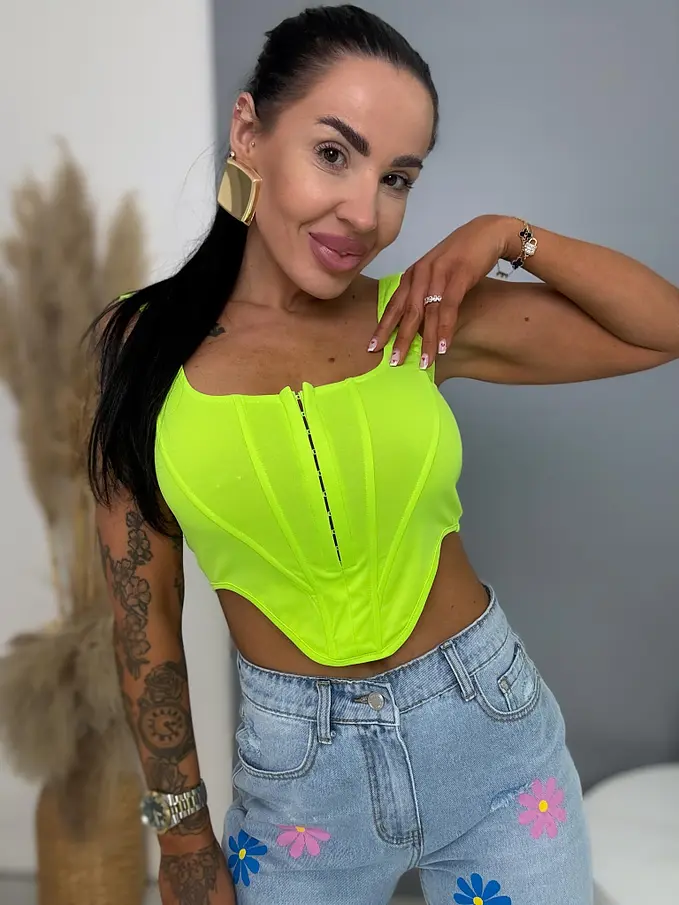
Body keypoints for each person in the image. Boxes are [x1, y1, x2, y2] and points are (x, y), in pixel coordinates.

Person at [88, 5, 679, 905]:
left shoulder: (418, 317)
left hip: (491, 740)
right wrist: (182, 835)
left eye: (396, 177)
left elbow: (659, 328)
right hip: (298, 789)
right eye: (334, 153)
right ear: (249, 132)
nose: (365, 213)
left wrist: (508, 234)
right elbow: (144, 610)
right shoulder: (144, 345)